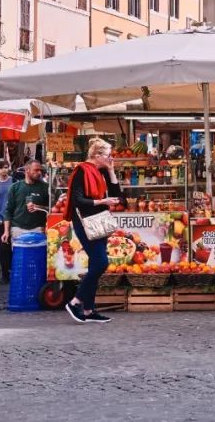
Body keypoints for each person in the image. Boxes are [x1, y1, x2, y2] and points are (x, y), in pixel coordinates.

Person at [64, 138, 121, 324]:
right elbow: (77, 200)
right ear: (97, 155)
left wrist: (112, 171)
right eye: (108, 155)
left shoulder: (101, 171)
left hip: (99, 221)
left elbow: (117, 195)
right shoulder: (82, 171)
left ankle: (88, 310)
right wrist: (102, 202)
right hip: (85, 221)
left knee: (96, 264)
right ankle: (75, 301)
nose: (111, 158)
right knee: (100, 263)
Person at [3, 159, 49, 243]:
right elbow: (9, 211)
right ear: (27, 170)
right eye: (36, 170)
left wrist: (39, 207)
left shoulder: (45, 187)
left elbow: (53, 209)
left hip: (38, 229)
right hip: (17, 229)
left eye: (40, 170)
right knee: (19, 255)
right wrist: (6, 231)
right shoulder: (15, 187)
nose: (39, 173)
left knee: (37, 255)